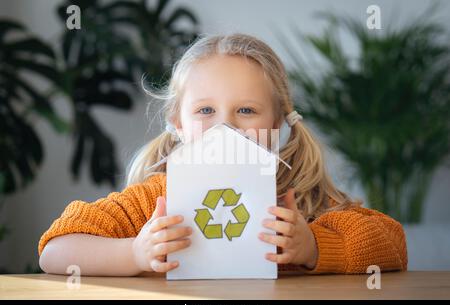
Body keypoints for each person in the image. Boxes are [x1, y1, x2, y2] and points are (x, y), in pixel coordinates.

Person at [38, 33, 407, 276]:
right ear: (177, 123)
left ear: (278, 123)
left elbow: (393, 244)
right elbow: (56, 249)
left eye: (246, 111)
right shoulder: (155, 200)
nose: (225, 128)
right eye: (205, 111)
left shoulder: (302, 198)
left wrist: (313, 247)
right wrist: (134, 253)